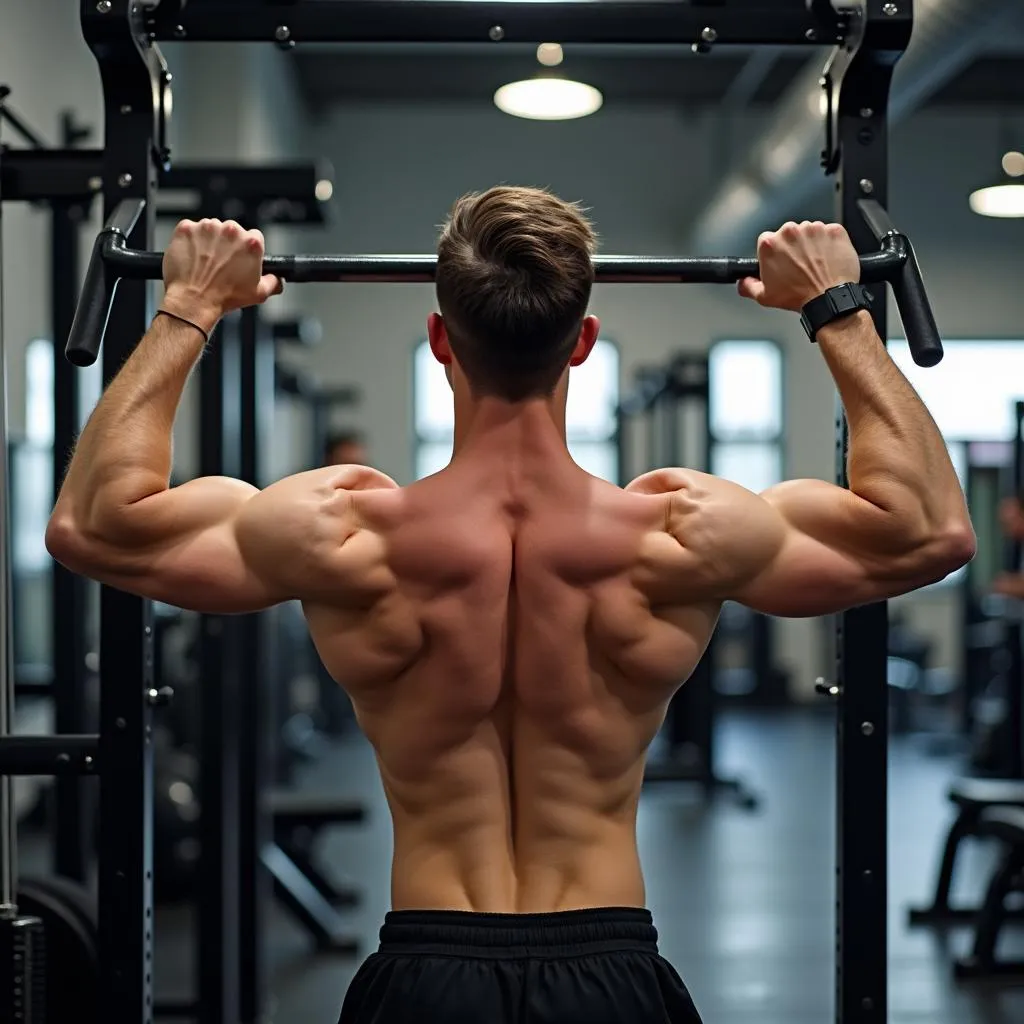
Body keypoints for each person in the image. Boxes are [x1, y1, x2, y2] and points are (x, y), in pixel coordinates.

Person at [46, 187, 975, 1024]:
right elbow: (930, 531)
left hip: (426, 972)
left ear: (440, 339)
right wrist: (836, 309)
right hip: (609, 968)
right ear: (583, 342)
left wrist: (189, 306)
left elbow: (93, 526)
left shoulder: (344, 532)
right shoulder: (679, 532)